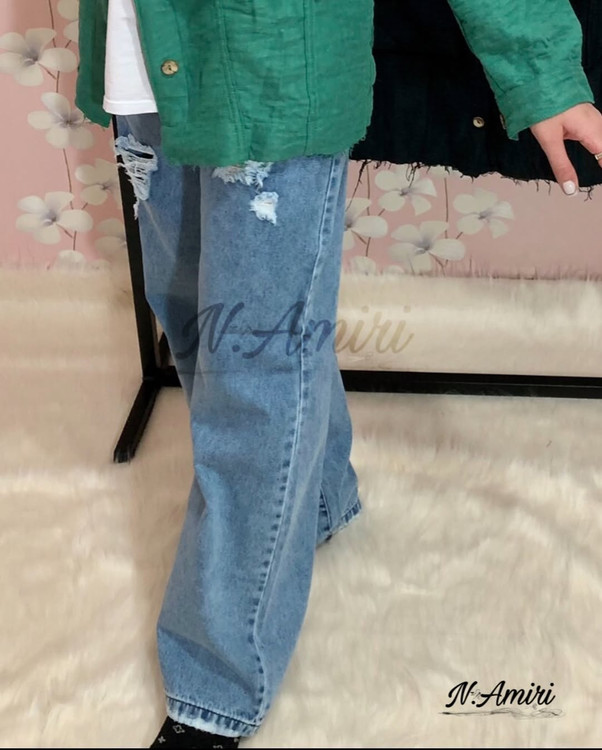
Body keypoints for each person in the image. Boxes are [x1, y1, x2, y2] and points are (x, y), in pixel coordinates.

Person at [74, 1, 602, 747]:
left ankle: (215, 687)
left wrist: (542, 71)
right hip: (138, 59)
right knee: (195, 320)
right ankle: (316, 501)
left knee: (251, 374)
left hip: (272, 74)